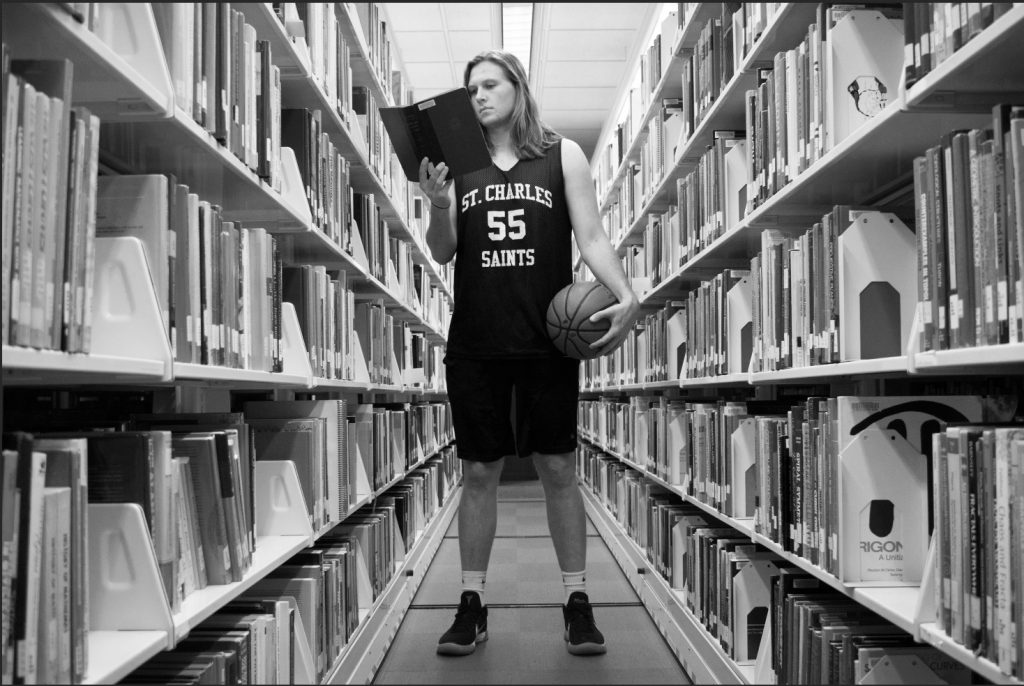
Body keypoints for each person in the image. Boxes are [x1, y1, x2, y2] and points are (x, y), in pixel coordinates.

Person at [418, 49, 640, 657]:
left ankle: (576, 600)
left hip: (546, 342)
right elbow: (442, 251)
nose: (479, 97)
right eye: (470, 90)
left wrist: (626, 292)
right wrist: (438, 205)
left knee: (559, 470)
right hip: (478, 342)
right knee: (479, 472)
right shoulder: (457, 167)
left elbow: (590, 235)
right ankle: (471, 604)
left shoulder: (561, 155)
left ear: (518, 87)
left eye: (490, 85)